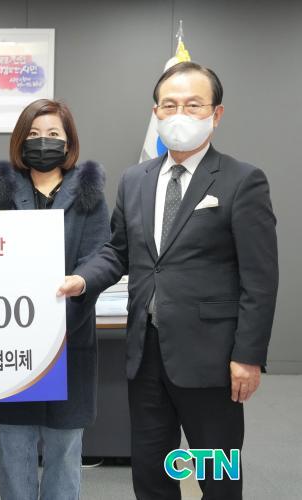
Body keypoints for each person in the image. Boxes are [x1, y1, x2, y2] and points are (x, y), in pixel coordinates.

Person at [59, 62, 279, 499]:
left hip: (212, 359)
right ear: (156, 112)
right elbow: (117, 251)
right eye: (170, 105)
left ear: (216, 114)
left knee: (217, 475)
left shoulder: (242, 180)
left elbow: (260, 278)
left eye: (193, 105)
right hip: (145, 355)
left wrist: (248, 357)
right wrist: (81, 280)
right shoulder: (135, 180)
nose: (180, 115)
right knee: (152, 472)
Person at [0, 99, 110, 500]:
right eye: (33, 134)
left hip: (69, 336)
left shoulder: (90, 194)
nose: (43, 141)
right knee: (13, 449)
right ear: (20, 141)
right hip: (12, 341)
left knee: (65, 451)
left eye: (53, 134)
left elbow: (101, 255)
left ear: (69, 142)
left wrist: (80, 281)